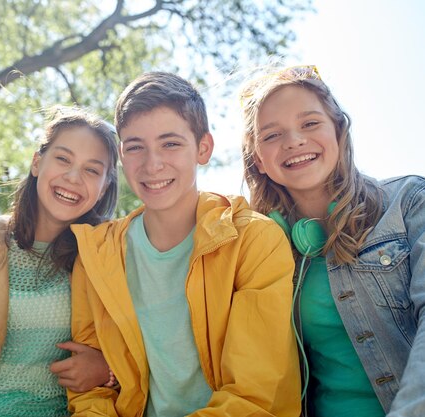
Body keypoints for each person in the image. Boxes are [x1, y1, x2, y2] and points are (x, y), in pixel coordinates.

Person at [67, 72, 301, 417]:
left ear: (203, 148)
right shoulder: (97, 254)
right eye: (135, 147)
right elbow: (90, 390)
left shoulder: (254, 240)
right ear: (121, 154)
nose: (152, 164)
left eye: (171, 143)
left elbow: (254, 394)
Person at [240, 65, 425, 417]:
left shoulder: (410, 200)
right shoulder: (262, 249)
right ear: (258, 160)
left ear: (339, 132)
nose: (294, 141)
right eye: (272, 135)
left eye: (310, 123)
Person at [0, 106, 119, 417]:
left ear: (104, 185)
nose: (72, 177)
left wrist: (109, 371)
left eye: (92, 170)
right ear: (37, 162)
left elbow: (148, 352)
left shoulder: (110, 258)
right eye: (63, 159)